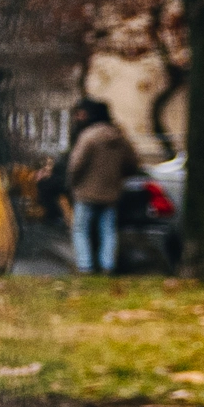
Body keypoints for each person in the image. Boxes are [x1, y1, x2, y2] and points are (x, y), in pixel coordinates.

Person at [63, 98, 140, 275]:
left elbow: (76, 165)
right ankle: (108, 265)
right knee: (108, 230)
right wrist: (118, 178)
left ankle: (85, 266)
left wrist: (71, 184)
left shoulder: (88, 136)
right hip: (112, 193)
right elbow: (133, 163)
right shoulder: (119, 137)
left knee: (81, 229)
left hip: (86, 192)